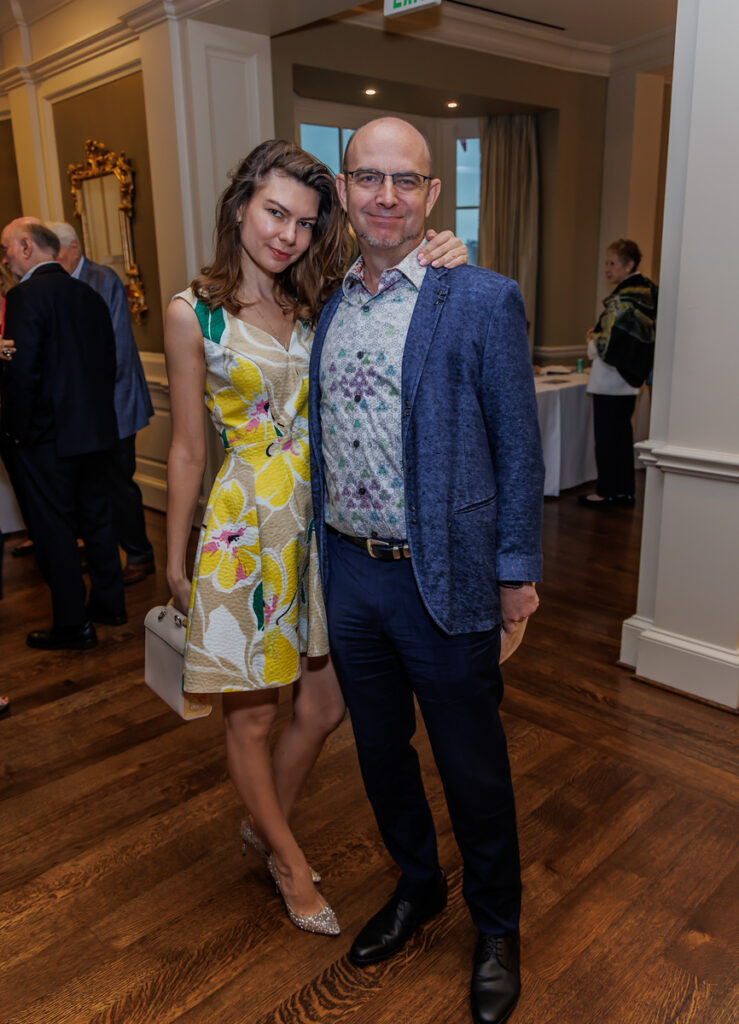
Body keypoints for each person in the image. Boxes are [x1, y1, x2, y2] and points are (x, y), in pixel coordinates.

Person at [164, 139, 467, 939]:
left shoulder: (321, 299)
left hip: (324, 521)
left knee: (325, 703)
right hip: (244, 531)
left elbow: (399, 287)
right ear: (239, 207)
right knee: (252, 719)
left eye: (303, 221)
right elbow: (190, 446)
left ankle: (267, 825)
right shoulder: (191, 310)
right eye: (274, 212)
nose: (287, 234)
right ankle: (290, 864)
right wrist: (173, 557)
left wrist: (446, 247)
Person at [308, 118, 544, 1024]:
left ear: (432, 195)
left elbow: (517, 448)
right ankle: (417, 885)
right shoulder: (325, 298)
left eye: (406, 181)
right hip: (351, 572)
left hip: (444, 574)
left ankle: (495, 926)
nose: (386, 196)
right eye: (368, 177)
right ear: (344, 188)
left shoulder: (479, 296)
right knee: (380, 755)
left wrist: (514, 569)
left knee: (472, 767)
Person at [0, 217, 125, 649]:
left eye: (7, 249)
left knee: (53, 529)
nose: (5, 259)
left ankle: (73, 624)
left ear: (27, 247)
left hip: (47, 439)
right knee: (98, 519)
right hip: (96, 431)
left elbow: (22, 375)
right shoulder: (88, 294)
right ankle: (110, 605)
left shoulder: (22, 298)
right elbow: (108, 363)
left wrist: (16, 432)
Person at [47, 221, 156, 581]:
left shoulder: (102, 279)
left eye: (55, 250)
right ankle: (102, 552)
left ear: (73, 248)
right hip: (86, 406)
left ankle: (140, 555)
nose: (51, 258)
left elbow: (117, 351)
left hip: (115, 402)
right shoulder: (57, 283)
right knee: (91, 485)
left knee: (118, 482)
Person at [579, 238, 658, 508]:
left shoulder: (625, 298)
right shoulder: (646, 292)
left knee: (608, 439)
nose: (607, 269)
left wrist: (592, 340)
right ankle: (624, 490)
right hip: (628, 381)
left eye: (612, 263)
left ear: (630, 264)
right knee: (622, 437)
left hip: (611, 381)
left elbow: (609, 345)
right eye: (606, 263)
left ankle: (607, 491)